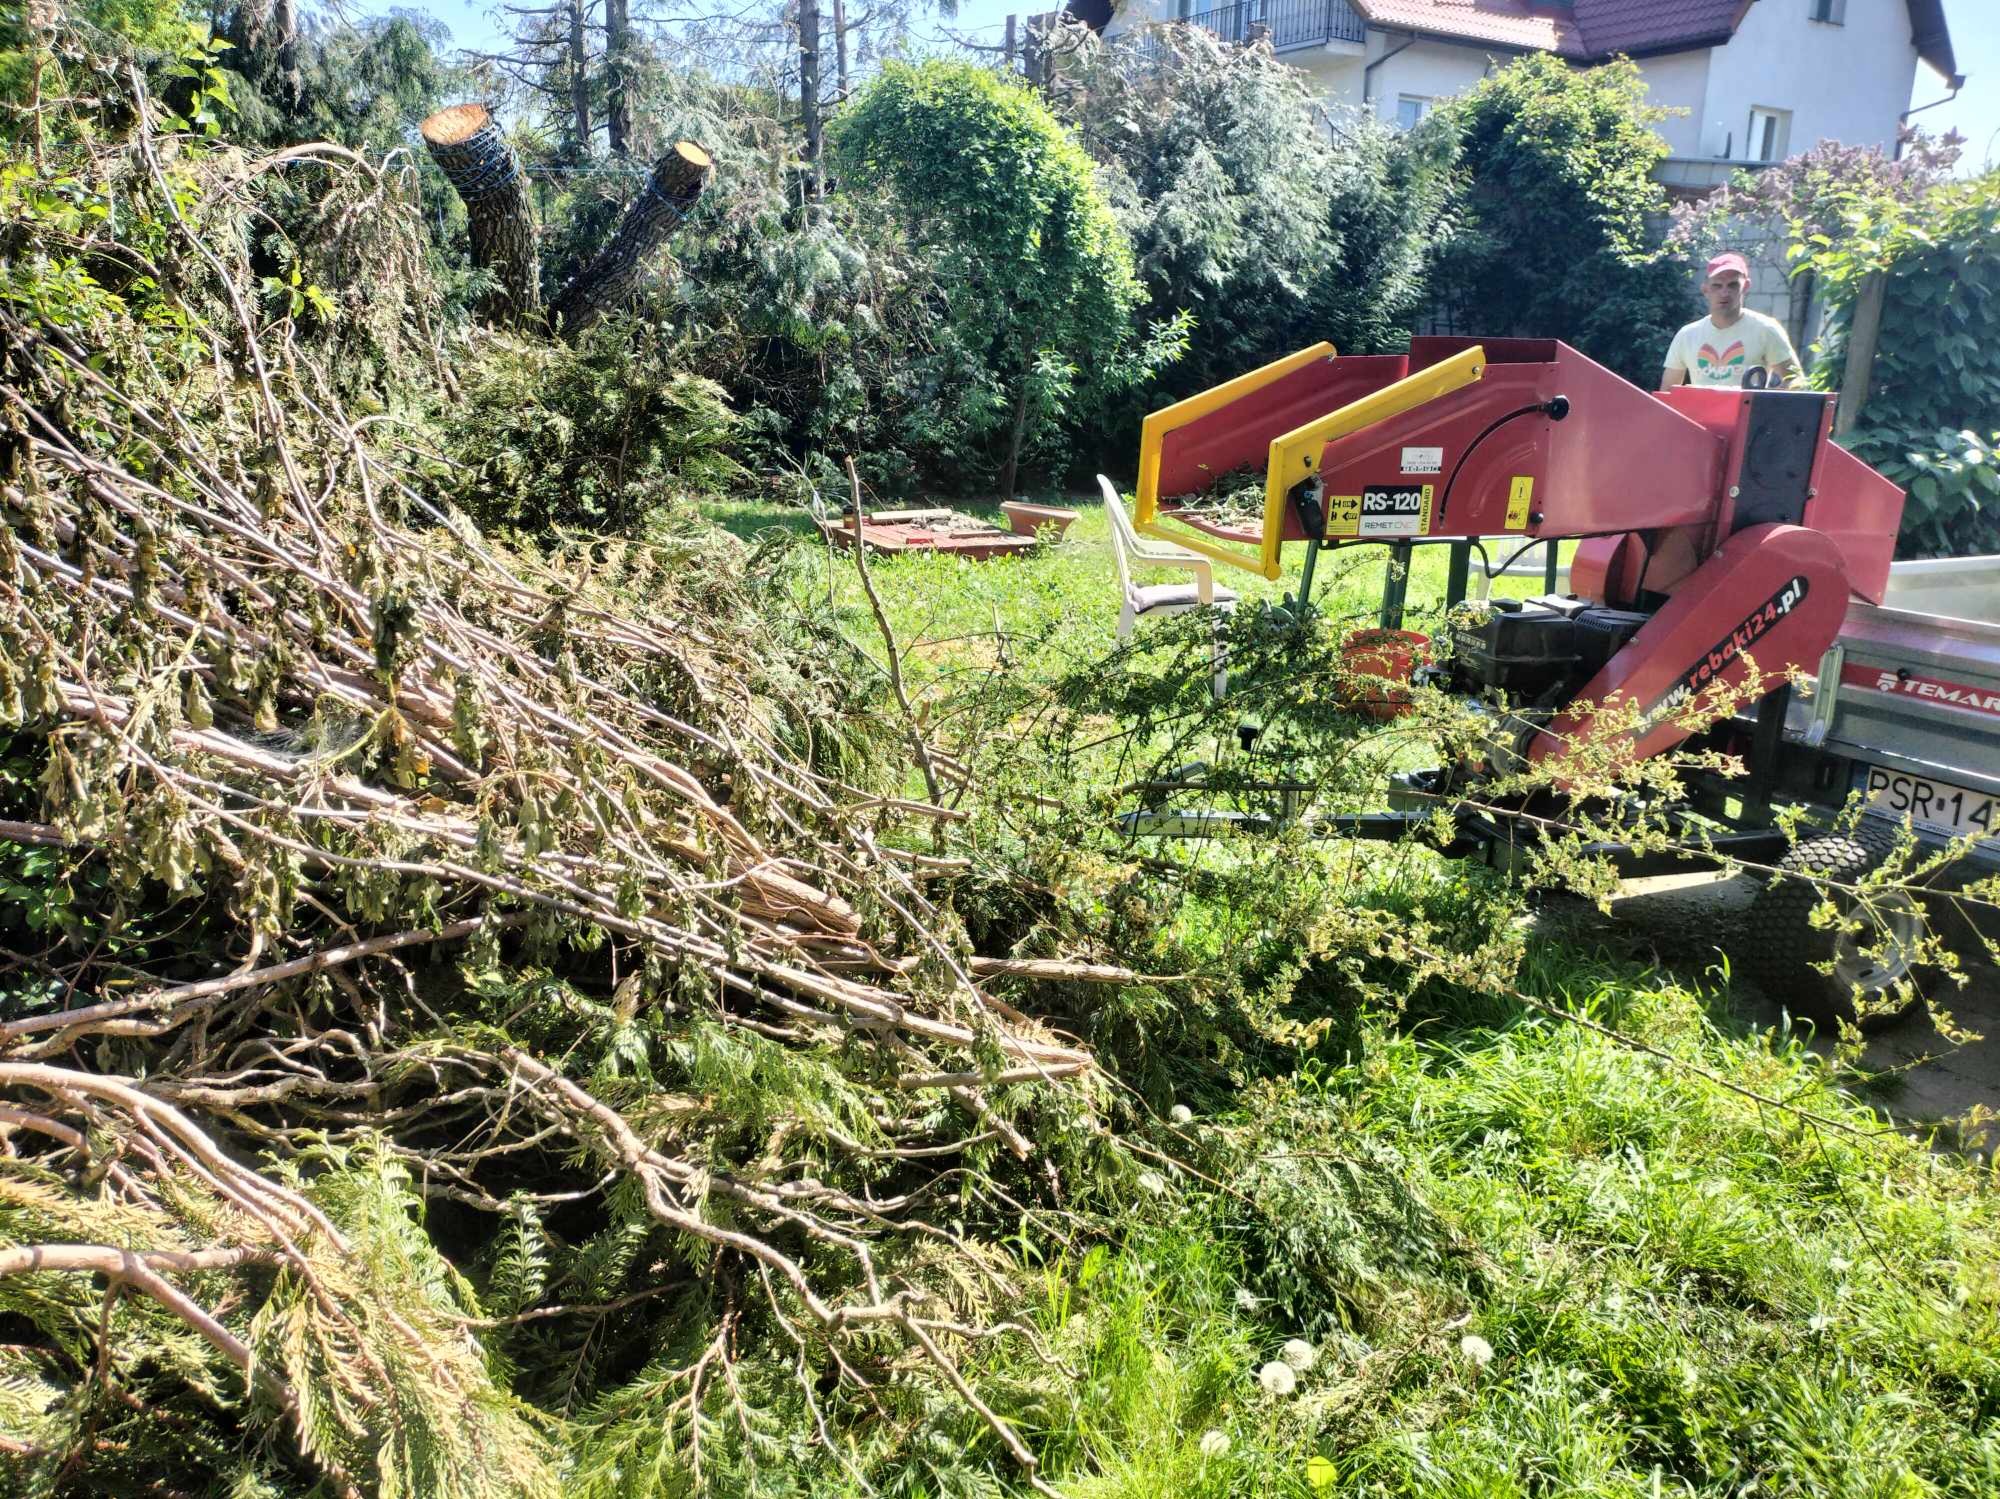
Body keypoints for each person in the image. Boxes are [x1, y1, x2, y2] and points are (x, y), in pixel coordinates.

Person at [1659, 252, 1800, 392]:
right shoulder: (1686, 335)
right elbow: (1667, 393)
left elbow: (1796, 381)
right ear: (1705, 289)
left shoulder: (1766, 328)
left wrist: (1773, 402)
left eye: (1733, 285)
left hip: (1750, 414)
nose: (1725, 293)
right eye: (1717, 285)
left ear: (1745, 286)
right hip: (1698, 414)